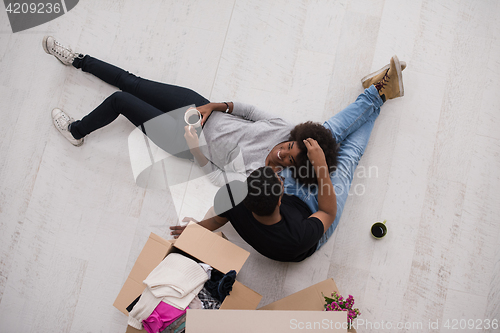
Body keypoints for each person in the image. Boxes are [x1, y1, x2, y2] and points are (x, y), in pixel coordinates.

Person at [170, 56, 405, 261]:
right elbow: (327, 212)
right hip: (314, 219)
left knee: (318, 138)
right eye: (280, 180)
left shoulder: (233, 196)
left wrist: (194, 230)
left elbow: (216, 220)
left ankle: (374, 93)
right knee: (348, 157)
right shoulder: (297, 238)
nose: (281, 175)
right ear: (281, 197)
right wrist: (321, 168)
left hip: (283, 210)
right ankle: (380, 95)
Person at [43, 36, 338, 187]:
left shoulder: (264, 179)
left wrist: (196, 150)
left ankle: (75, 131)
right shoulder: (284, 129)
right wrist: (213, 106)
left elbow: (219, 181)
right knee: (131, 82)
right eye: (288, 147)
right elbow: (248, 110)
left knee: (121, 101)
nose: (281, 153)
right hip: (201, 109)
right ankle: (78, 60)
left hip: (183, 140)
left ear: (292, 168)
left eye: (288, 160)